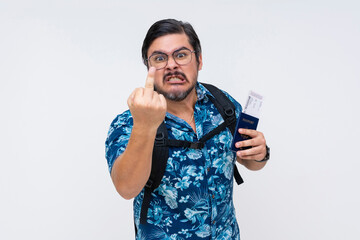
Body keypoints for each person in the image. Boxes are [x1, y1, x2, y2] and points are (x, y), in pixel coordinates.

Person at [105, 19, 269, 240]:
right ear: (148, 68)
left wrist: (260, 153)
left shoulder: (223, 105)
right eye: (160, 58)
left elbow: (248, 160)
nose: (172, 65)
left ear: (199, 60)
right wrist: (145, 124)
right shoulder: (129, 122)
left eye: (181, 55)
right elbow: (126, 188)